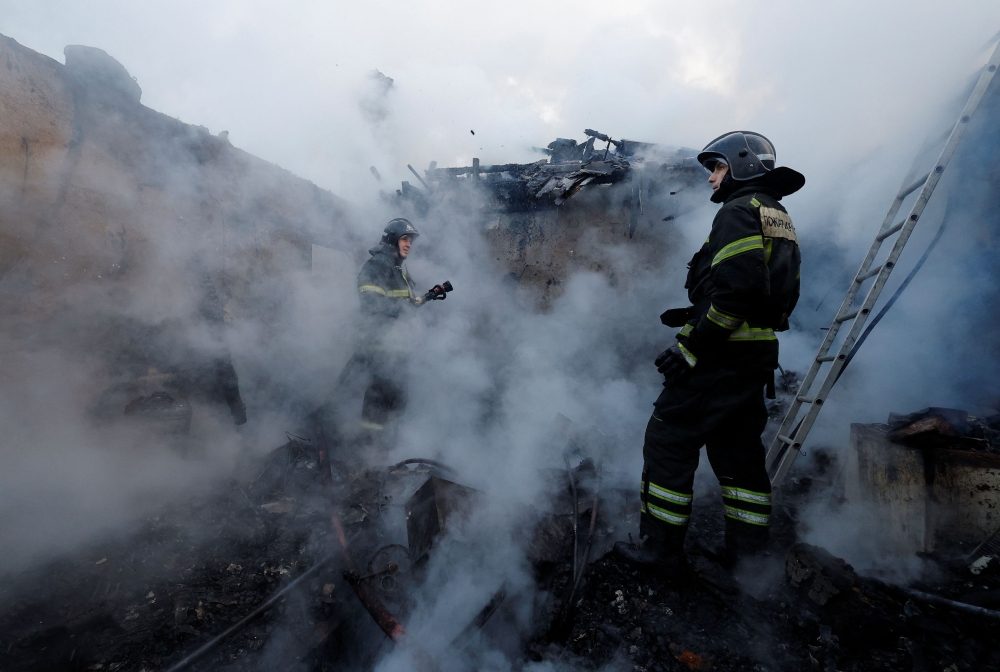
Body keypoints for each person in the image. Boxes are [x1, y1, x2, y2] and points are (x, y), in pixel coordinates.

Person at [614, 131, 804, 571]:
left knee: (668, 438)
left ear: (742, 165)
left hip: (720, 358)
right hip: (753, 359)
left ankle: (661, 553)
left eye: (717, 168)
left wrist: (691, 344)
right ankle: (747, 564)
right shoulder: (775, 212)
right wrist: (692, 311)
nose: (711, 179)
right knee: (739, 456)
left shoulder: (738, 212)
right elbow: (754, 292)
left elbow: (740, 290)